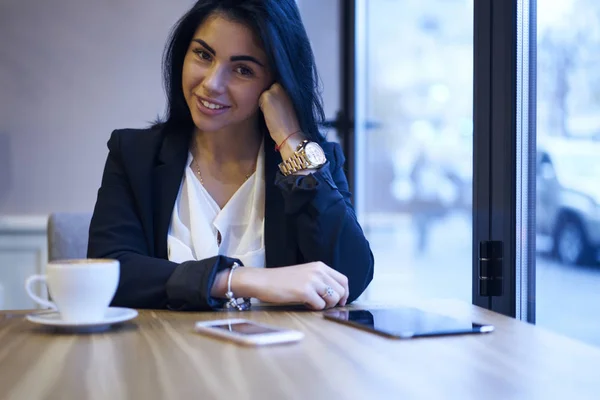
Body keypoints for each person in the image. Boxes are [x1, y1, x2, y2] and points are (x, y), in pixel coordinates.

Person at [88, 0, 374, 311]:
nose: (212, 83)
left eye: (243, 69)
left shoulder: (311, 162)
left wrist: (291, 140)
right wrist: (237, 280)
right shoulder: (134, 154)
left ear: (277, 83)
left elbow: (350, 278)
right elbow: (110, 273)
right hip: (162, 355)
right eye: (203, 54)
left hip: (282, 358)